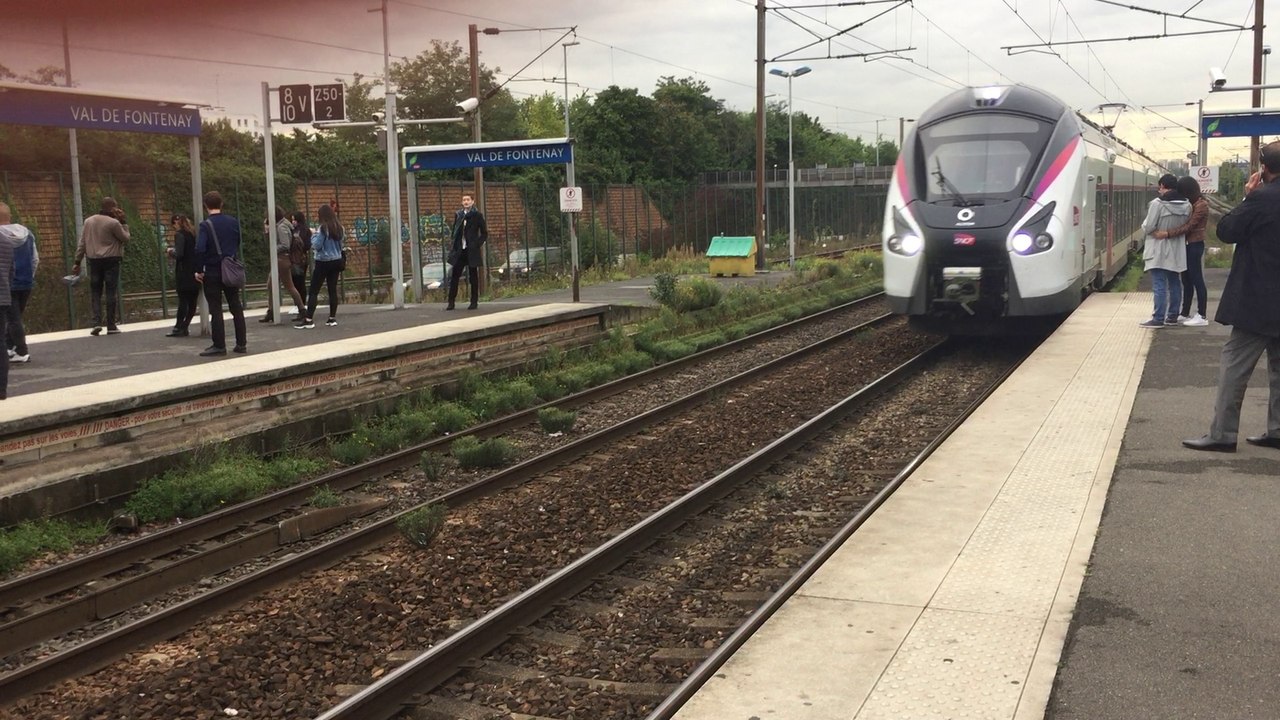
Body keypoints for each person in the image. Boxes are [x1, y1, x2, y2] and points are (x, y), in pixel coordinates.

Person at [1182, 141, 1280, 453]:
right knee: (1279, 369)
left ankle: (1222, 434)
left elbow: (1226, 231)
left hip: (1259, 300)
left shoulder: (1262, 198)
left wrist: (1247, 198)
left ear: (1264, 169)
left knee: (1233, 367)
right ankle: (1277, 430)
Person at [193, 191, 247, 357]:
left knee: (215, 309)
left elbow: (200, 248)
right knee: (235, 306)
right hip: (230, 269)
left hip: (213, 271)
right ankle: (241, 343)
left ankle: (219, 345)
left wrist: (198, 269)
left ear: (206, 206)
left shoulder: (205, 225)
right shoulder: (233, 222)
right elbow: (237, 241)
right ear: (221, 204)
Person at [1153, 176, 1210, 326]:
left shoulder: (1201, 205)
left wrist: (1168, 233)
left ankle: (1202, 314)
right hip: (1187, 244)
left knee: (1197, 278)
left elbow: (1189, 226)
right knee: (1186, 279)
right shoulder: (1191, 204)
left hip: (1195, 244)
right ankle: (1184, 312)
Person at [71, 197, 130, 336]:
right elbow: (125, 238)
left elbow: (82, 243)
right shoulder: (114, 223)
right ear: (113, 208)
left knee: (96, 292)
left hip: (94, 260)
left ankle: (96, 322)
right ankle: (111, 325)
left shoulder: (88, 221)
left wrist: (77, 261)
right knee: (110, 291)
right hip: (111, 260)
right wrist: (123, 222)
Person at [1137, 174, 1190, 328]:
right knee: (1174, 282)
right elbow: (1184, 226)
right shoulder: (1187, 205)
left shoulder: (1157, 204)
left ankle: (1158, 318)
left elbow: (1149, 227)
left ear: (1162, 186)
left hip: (1158, 248)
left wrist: (1153, 231)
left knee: (1159, 283)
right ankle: (1173, 316)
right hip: (1176, 249)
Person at [296, 203, 344, 329]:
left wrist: (314, 235)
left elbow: (316, 245)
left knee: (314, 290)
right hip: (336, 260)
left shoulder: (323, 229)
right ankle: (332, 318)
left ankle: (309, 319)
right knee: (332, 289)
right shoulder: (339, 228)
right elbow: (341, 245)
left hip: (323, 261)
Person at [0, 202, 36, 364]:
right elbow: (35, 259)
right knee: (15, 317)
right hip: (26, 282)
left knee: (12, 319)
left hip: (7, 284)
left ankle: (22, 351)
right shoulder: (27, 234)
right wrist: (30, 276)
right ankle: (10, 346)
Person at [262, 207, 306, 323]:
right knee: (271, 285)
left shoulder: (281, 227)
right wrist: (267, 232)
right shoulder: (283, 225)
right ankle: (271, 311)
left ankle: (302, 310)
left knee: (289, 286)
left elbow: (285, 244)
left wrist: (273, 249)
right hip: (280, 259)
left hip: (282, 259)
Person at [446, 193, 488, 311]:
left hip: (471, 250)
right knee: (455, 276)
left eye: (468, 200)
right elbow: (455, 231)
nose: (466, 202)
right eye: (464, 200)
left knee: (473, 276)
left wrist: (477, 244)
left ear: (472, 201)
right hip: (460, 250)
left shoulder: (477, 215)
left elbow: (484, 233)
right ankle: (451, 302)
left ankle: (474, 301)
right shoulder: (459, 215)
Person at [166, 214, 200, 337]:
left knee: (183, 301)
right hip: (195, 270)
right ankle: (185, 326)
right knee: (192, 301)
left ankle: (178, 327)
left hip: (184, 271)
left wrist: (170, 251)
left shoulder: (179, 234)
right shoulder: (193, 234)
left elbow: (179, 254)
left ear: (176, 223)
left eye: (173, 225)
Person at [289, 210, 311, 308]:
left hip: (297, 259)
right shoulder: (306, 230)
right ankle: (302, 304)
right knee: (300, 282)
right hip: (302, 259)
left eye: (294, 220)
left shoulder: (297, 230)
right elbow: (308, 245)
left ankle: (300, 305)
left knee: (298, 283)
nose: (293, 222)